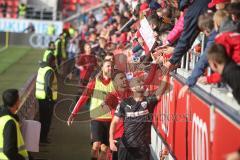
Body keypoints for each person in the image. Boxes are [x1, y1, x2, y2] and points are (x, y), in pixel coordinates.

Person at [109, 74, 167, 160]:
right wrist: (111, 140)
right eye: (138, 82)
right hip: (125, 147)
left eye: (142, 81)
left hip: (142, 149)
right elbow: (114, 122)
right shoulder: (124, 103)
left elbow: (161, 89)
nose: (142, 83)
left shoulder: (149, 101)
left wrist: (166, 73)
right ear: (133, 88)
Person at [68, 60, 114, 160]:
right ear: (102, 68)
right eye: (108, 66)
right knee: (96, 145)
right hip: (96, 118)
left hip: (110, 119)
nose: (110, 68)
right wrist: (73, 113)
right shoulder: (95, 81)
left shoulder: (115, 83)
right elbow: (84, 97)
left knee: (105, 148)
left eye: (111, 66)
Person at [0, 89, 29, 160]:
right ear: (16, 102)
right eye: (19, 99)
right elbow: (8, 151)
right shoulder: (10, 122)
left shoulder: (3, 117)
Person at [35, 54, 57, 143]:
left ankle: (41, 137)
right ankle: (43, 138)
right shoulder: (49, 71)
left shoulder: (42, 68)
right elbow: (48, 86)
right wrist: (50, 98)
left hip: (40, 97)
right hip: (46, 99)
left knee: (42, 119)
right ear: (52, 61)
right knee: (46, 120)